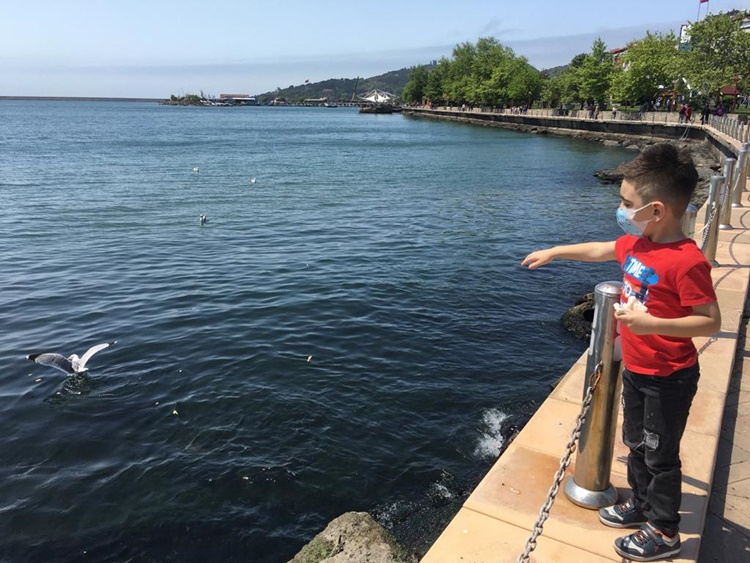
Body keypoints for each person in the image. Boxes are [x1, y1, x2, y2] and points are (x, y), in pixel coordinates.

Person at [522, 143, 721, 562]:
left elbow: (709, 321)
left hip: (669, 377)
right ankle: (642, 505)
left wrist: (653, 324)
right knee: (636, 442)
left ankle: (664, 532)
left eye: (627, 204)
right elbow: (599, 249)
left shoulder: (686, 262)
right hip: (636, 367)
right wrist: (556, 251)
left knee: (660, 454)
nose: (621, 210)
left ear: (656, 210)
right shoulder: (638, 243)